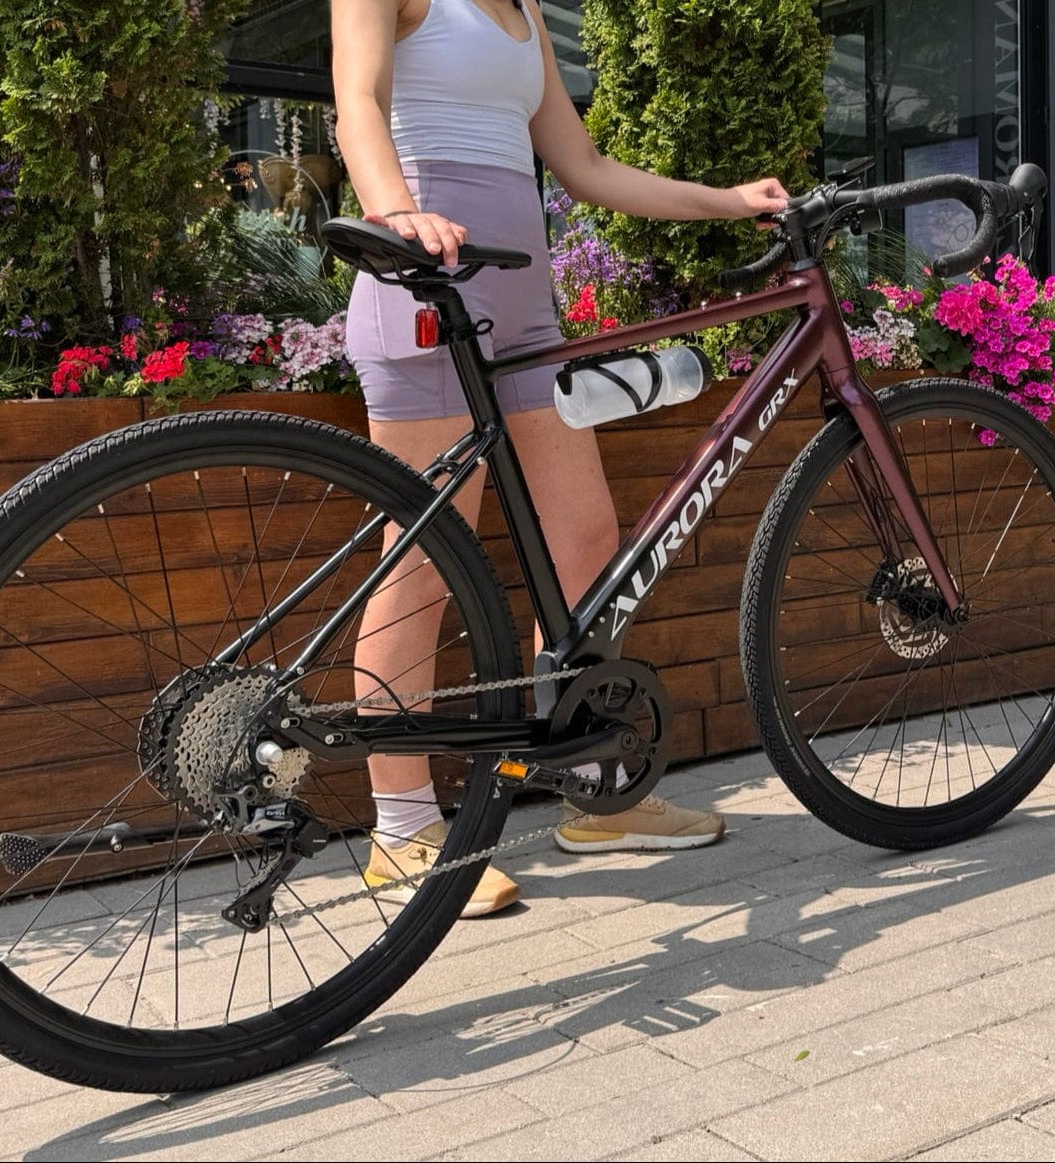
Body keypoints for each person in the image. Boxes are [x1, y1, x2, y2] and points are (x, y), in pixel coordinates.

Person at [333, 0, 788, 916]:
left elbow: (584, 168)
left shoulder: (526, 15)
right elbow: (358, 103)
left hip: (521, 315)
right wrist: (398, 215)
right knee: (423, 561)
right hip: (425, 294)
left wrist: (728, 203)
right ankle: (401, 829)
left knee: (586, 542)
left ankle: (591, 787)